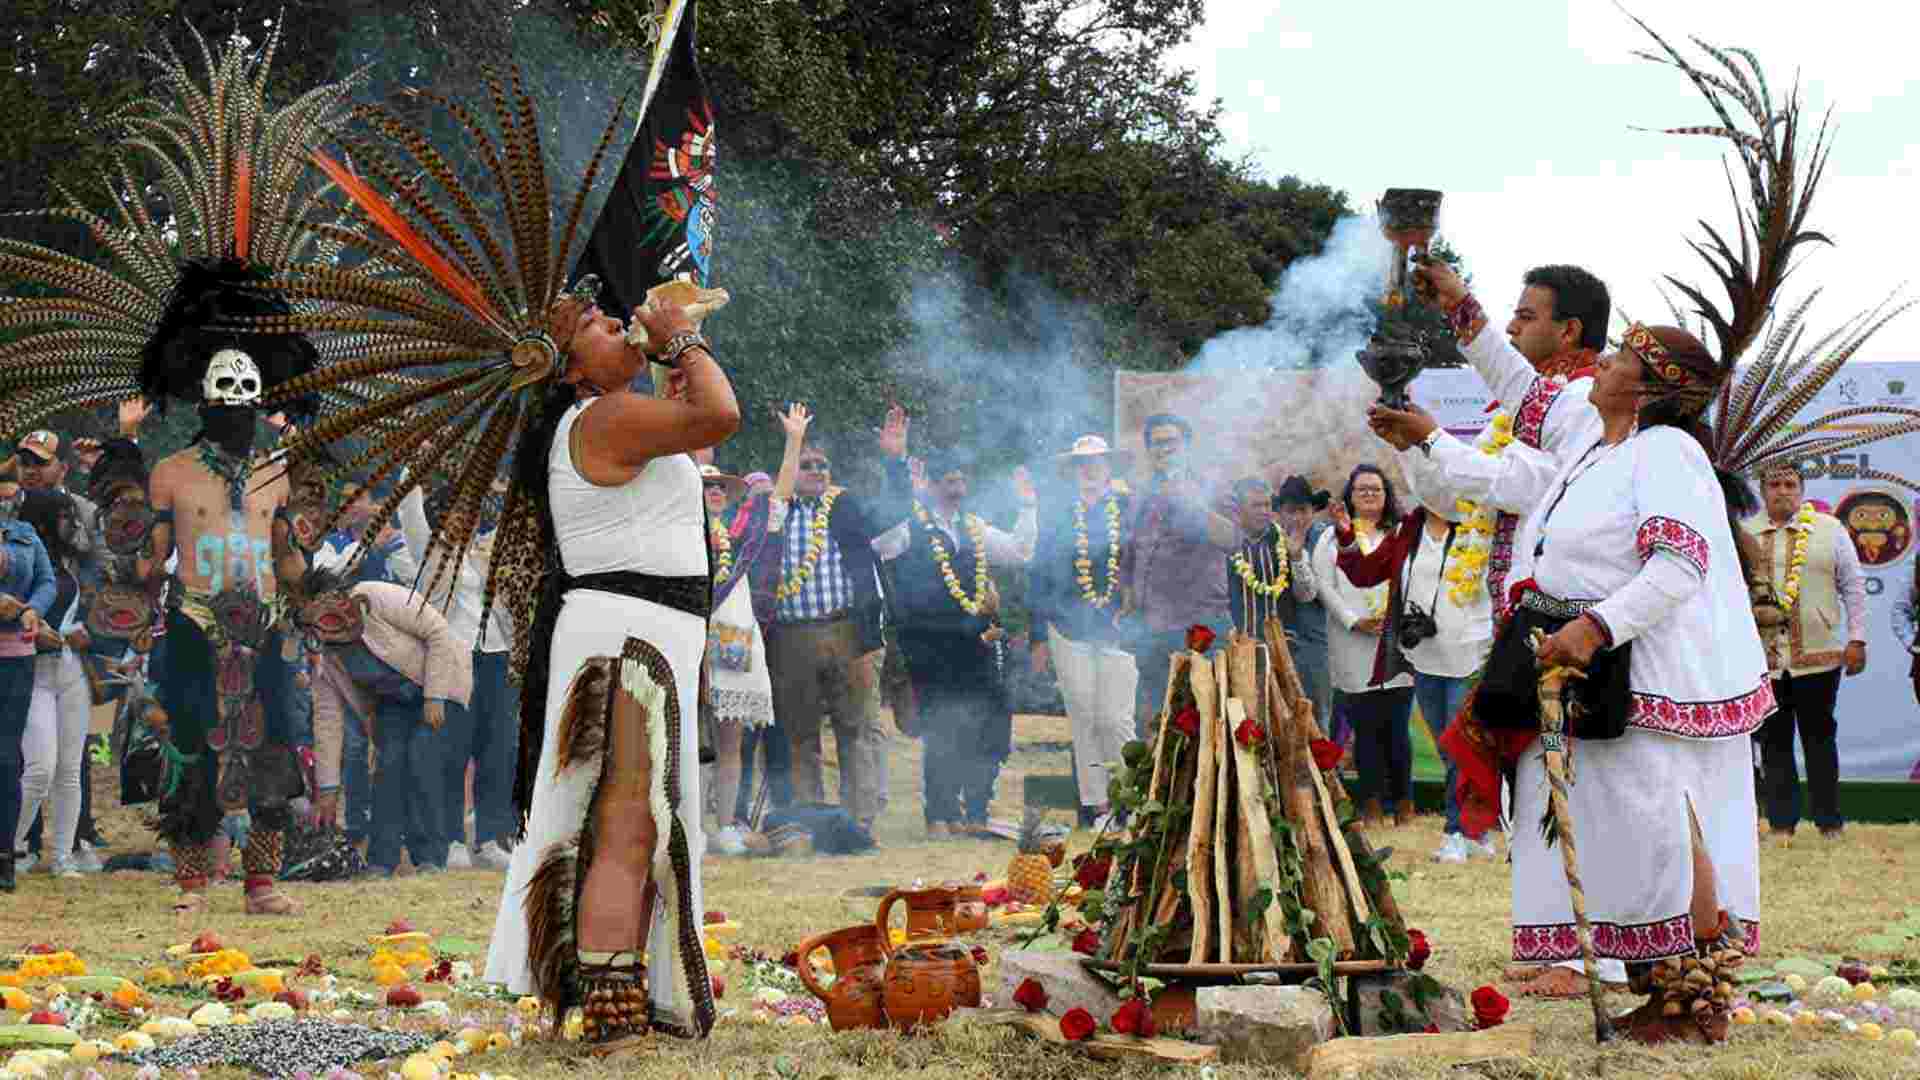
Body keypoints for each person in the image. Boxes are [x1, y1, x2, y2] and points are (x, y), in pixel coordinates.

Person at [875, 417, 1037, 836]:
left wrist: (1028, 505)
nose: (955, 482)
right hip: (930, 645)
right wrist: (897, 473)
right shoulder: (909, 527)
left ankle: (978, 812)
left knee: (988, 726)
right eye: (946, 476)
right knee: (942, 728)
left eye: (960, 475)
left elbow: (1020, 551)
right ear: (927, 484)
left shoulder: (975, 527)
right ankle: (940, 816)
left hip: (977, 646)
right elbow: (880, 544)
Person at [1325, 486, 1496, 861]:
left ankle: (1455, 832)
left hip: (1469, 654)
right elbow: (1366, 573)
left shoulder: (1479, 528)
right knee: (1447, 746)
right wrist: (1345, 535)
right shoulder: (1408, 530)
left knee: (1458, 743)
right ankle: (1476, 829)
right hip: (1424, 656)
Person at [742, 417, 895, 837]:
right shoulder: (773, 509)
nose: (816, 472)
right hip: (791, 636)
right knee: (798, 731)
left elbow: (895, 514)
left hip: (848, 630)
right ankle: (811, 823)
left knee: (857, 727)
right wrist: (793, 444)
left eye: (822, 465)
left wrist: (895, 461)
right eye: (807, 465)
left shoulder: (847, 506)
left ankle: (858, 822)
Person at [302, 565, 471, 876]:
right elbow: (327, 723)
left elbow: (438, 633)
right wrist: (327, 788)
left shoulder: (378, 596)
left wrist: (434, 696)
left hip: (441, 682)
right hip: (393, 703)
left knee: (422, 757)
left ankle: (431, 857)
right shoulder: (326, 658)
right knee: (388, 764)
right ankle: (382, 860)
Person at [397, 476, 518, 870]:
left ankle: (489, 838)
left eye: (469, 513)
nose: (464, 520)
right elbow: (409, 511)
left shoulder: (485, 553)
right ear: (440, 518)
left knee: (498, 749)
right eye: (455, 513)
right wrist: (415, 469)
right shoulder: (429, 552)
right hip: (455, 658)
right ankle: (450, 838)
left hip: (497, 656)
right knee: (451, 752)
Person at [1743, 462, 1866, 842]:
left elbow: (1853, 586)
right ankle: (1782, 825)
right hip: (1763, 659)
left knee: (1820, 739)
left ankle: (1830, 823)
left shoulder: (1829, 529)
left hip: (1820, 657)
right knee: (1774, 743)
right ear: (1762, 490)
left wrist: (1857, 639)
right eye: (1775, 484)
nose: (1783, 491)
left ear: (1802, 489)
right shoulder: (1744, 533)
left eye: (1791, 484)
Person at [1030, 435, 1136, 830]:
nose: (1089, 470)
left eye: (1097, 462)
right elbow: (1038, 572)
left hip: (1117, 629)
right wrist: (1038, 635)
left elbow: (1142, 558)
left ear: (1109, 468)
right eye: (1082, 464)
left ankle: (1129, 800)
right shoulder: (1058, 514)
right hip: (1066, 626)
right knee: (1084, 716)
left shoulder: (1128, 509)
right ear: (1073, 471)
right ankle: (1098, 806)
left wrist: (1134, 594)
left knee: (1116, 718)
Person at [1119, 413, 1237, 733]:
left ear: (1187, 446)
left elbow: (1231, 539)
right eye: (1155, 443)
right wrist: (1129, 596)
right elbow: (1131, 550)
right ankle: (1159, 783)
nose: (1163, 449)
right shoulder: (1139, 495)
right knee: (1158, 719)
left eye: (1170, 441)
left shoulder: (1211, 487)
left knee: (1207, 718)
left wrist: (1189, 500)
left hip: (1199, 622)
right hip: (1152, 627)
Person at [1313, 465, 1416, 826]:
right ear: (1350, 496)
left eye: (1376, 489)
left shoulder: (1401, 534)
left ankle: (1404, 804)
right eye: (1361, 490)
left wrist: (1396, 620)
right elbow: (1323, 585)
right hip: (1352, 641)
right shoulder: (1331, 538)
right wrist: (1354, 620)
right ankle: (1371, 804)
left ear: (1387, 496)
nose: (1370, 495)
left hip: (1395, 642)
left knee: (1398, 728)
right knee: (1366, 729)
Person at [12, 491, 95, 878]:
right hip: (34, 671)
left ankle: (63, 855)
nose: (71, 523)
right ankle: (9, 847)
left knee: (69, 768)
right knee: (40, 768)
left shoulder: (68, 562)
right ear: (44, 521)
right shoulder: (17, 561)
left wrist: (83, 633)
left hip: (71, 669)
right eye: (64, 516)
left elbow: (85, 612)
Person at [699, 440, 774, 855]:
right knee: (690, 740)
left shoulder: (738, 535)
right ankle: (691, 825)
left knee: (731, 740)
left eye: (722, 488)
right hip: (693, 634)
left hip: (733, 636)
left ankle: (726, 825)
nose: (715, 491)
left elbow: (772, 504)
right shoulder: (679, 534)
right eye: (708, 485)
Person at [0, 474, 55, 893]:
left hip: (16, 657)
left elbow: (46, 580)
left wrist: (33, 609)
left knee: (7, 760)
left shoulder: (25, 534)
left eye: (11, 494)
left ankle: (5, 856)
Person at [1269, 476, 1334, 732]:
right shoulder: (1270, 538)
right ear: (1280, 513)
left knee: (1315, 716)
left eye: (1303, 511)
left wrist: (1296, 556)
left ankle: (1323, 771)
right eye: (1290, 511)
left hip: (1313, 642)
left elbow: (1308, 593)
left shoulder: (1326, 539)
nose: (1297, 518)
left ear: (1313, 511)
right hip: (1275, 638)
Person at [15, 431, 100, 588]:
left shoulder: (87, 512)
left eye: (41, 463)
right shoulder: (6, 511)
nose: (30, 471)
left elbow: (111, 571)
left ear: (63, 468)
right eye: (24, 463)